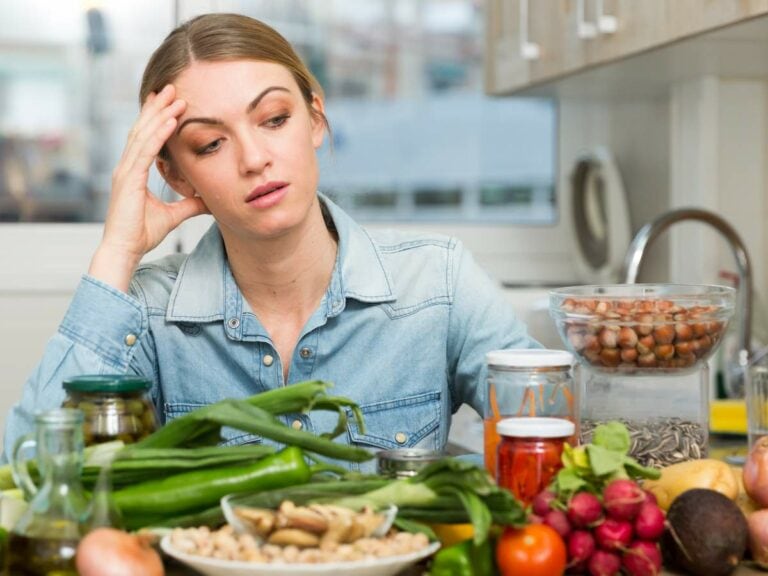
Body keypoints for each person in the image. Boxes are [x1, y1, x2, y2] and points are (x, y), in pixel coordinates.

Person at [3, 13, 539, 471]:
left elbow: (554, 440)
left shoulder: (439, 281)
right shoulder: (147, 314)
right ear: (179, 176)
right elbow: (26, 473)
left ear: (316, 119)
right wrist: (116, 253)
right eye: (210, 144)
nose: (254, 158)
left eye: (274, 119)